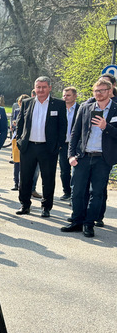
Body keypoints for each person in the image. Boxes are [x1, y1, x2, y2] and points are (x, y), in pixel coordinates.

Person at [60, 78, 117, 237]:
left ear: (110, 91)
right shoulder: (85, 108)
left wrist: (106, 127)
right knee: (77, 191)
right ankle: (77, 221)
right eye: (96, 91)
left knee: (96, 193)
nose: (99, 94)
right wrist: (71, 155)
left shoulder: (116, 109)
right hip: (83, 156)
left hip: (102, 159)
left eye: (102, 90)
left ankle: (89, 224)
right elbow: (75, 133)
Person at [14, 76, 67, 218]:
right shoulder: (26, 103)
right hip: (28, 147)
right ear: (34, 88)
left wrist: (59, 146)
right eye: (38, 87)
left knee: (48, 179)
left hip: (48, 148)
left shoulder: (59, 104)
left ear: (50, 87)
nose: (41, 90)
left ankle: (46, 207)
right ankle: (25, 205)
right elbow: (20, 124)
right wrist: (19, 141)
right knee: (25, 178)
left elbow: (63, 127)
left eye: (44, 87)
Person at [58, 86, 79, 200]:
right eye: (64, 95)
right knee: (64, 171)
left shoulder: (81, 109)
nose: (65, 97)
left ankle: (75, 193)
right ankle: (67, 191)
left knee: (77, 171)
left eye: (68, 95)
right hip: (63, 144)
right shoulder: (59, 109)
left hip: (77, 145)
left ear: (75, 96)